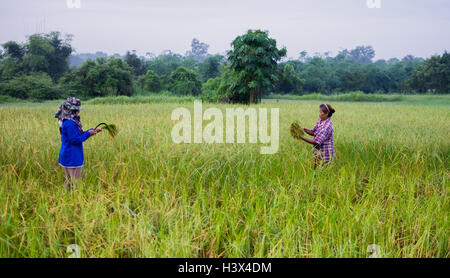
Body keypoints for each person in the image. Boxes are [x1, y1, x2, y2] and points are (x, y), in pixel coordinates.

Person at [54, 97, 102, 190]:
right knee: (76, 181)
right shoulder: (70, 124)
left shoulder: (69, 121)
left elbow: (78, 135)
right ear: (73, 110)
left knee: (69, 180)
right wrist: (89, 133)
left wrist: (92, 131)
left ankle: (66, 198)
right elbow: (75, 140)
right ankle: (76, 199)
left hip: (68, 155)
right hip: (72, 156)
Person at [300, 103, 336, 168]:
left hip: (325, 154)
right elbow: (313, 132)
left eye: (320, 112)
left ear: (326, 113)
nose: (319, 113)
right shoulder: (320, 120)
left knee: (323, 173)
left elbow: (316, 142)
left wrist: (301, 137)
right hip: (318, 153)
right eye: (319, 111)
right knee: (316, 171)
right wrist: (303, 129)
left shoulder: (326, 127)